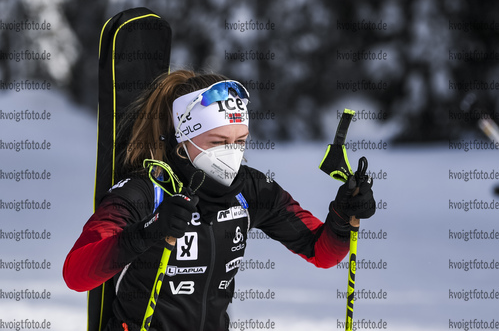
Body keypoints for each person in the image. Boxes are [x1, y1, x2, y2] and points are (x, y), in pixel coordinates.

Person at [63, 69, 376, 331]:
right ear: (181, 140)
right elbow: (76, 274)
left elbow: (321, 252)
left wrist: (342, 217)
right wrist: (149, 231)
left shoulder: (250, 189)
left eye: (239, 142)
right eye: (218, 142)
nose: (231, 153)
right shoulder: (145, 191)